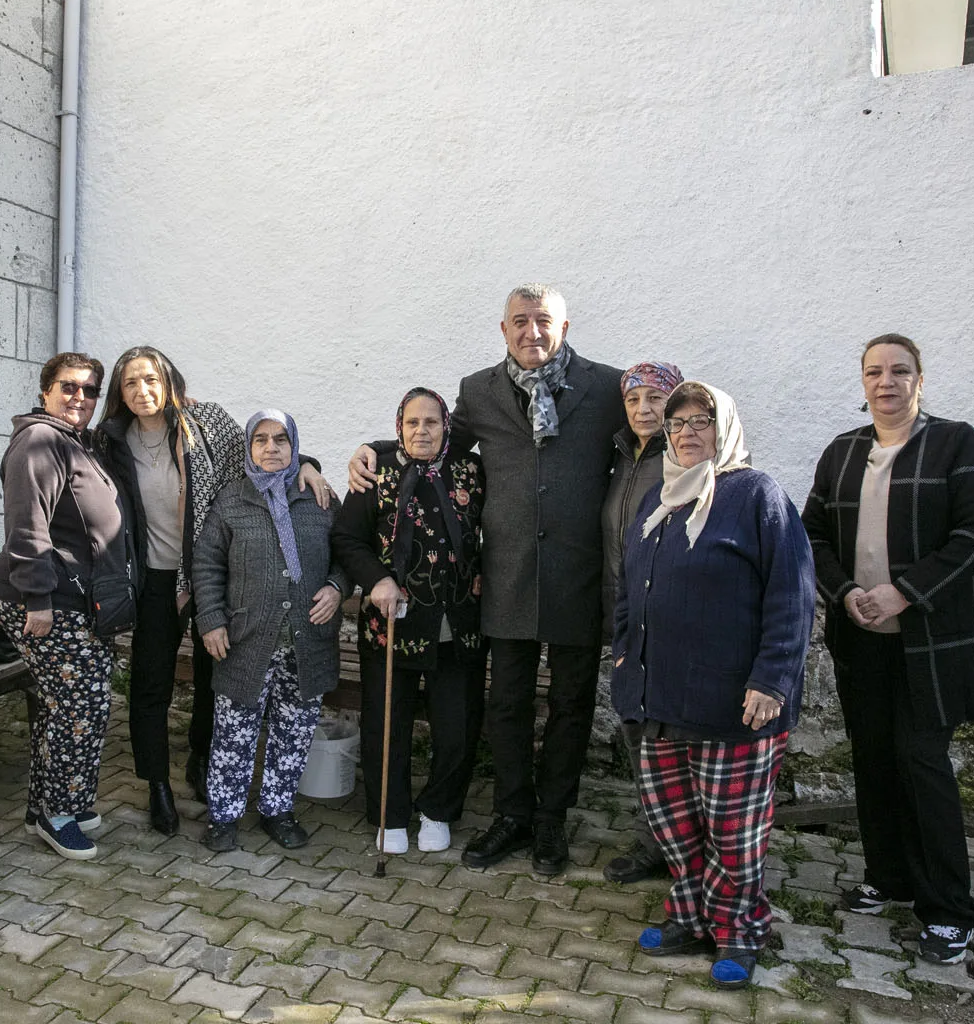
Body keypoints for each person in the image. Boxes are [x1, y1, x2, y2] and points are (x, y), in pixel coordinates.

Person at [349, 283, 625, 874]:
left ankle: (551, 821)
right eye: (519, 321)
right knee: (507, 704)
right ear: (503, 330)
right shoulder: (479, 391)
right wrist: (369, 449)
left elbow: (648, 443)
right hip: (507, 577)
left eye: (543, 320)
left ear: (564, 328)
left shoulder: (607, 388)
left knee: (571, 704)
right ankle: (513, 813)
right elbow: (431, 440)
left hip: (578, 575)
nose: (531, 331)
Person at [801, 334, 974, 966]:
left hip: (930, 643)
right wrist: (846, 592)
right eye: (874, 371)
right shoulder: (842, 451)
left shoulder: (956, 443)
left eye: (899, 370)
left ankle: (949, 911)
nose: (886, 382)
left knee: (921, 761)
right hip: (862, 639)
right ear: (862, 382)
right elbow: (811, 533)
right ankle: (889, 878)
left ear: (920, 378)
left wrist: (903, 593)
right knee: (873, 759)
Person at [613, 381, 814, 990]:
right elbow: (630, 591)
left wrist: (772, 679)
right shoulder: (658, 501)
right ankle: (690, 914)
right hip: (658, 697)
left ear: (723, 427)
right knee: (674, 822)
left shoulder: (757, 495)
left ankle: (739, 929)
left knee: (733, 831)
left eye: (701, 420)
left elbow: (793, 595)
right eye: (676, 423)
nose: (687, 432)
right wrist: (623, 655)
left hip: (734, 703)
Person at [98, 346, 334, 834]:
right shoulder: (109, 441)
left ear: (169, 381)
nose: (142, 391)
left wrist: (307, 462)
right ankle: (157, 784)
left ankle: (202, 759)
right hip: (154, 578)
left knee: (215, 675)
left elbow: (261, 453)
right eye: (130, 383)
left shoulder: (204, 423)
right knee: (150, 682)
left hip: (212, 574)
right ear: (119, 392)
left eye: (151, 379)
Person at [0, 351, 135, 861]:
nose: (80, 397)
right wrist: (38, 600)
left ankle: (45, 806)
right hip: (44, 598)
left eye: (90, 389)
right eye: (69, 386)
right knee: (81, 703)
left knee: (64, 703)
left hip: (74, 598)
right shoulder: (39, 441)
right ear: (46, 390)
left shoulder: (75, 441)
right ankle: (59, 814)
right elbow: (26, 525)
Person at [331, 387, 486, 855]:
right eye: (412, 422)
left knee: (456, 726)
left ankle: (439, 809)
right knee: (387, 724)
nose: (422, 430)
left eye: (431, 422)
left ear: (446, 426)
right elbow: (347, 538)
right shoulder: (375, 472)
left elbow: (494, 527)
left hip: (456, 623)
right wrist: (376, 579)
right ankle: (390, 813)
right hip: (391, 623)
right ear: (399, 426)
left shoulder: (471, 470)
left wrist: (483, 572)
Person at [192, 410, 349, 853]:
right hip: (245, 641)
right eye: (260, 439)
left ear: (294, 446)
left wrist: (337, 587)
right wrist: (212, 621)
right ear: (249, 447)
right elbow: (206, 564)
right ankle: (224, 817)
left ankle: (277, 810)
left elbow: (348, 552)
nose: (271, 447)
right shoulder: (231, 501)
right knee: (233, 734)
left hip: (307, 639)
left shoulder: (319, 497)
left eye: (281, 439)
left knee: (293, 732)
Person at [600, 361, 682, 885]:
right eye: (633, 399)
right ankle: (656, 840)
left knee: (667, 735)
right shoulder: (620, 456)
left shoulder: (685, 458)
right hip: (622, 619)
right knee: (635, 730)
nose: (643, 409)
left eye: (656, 398)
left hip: (668, 622)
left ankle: (677, 844)